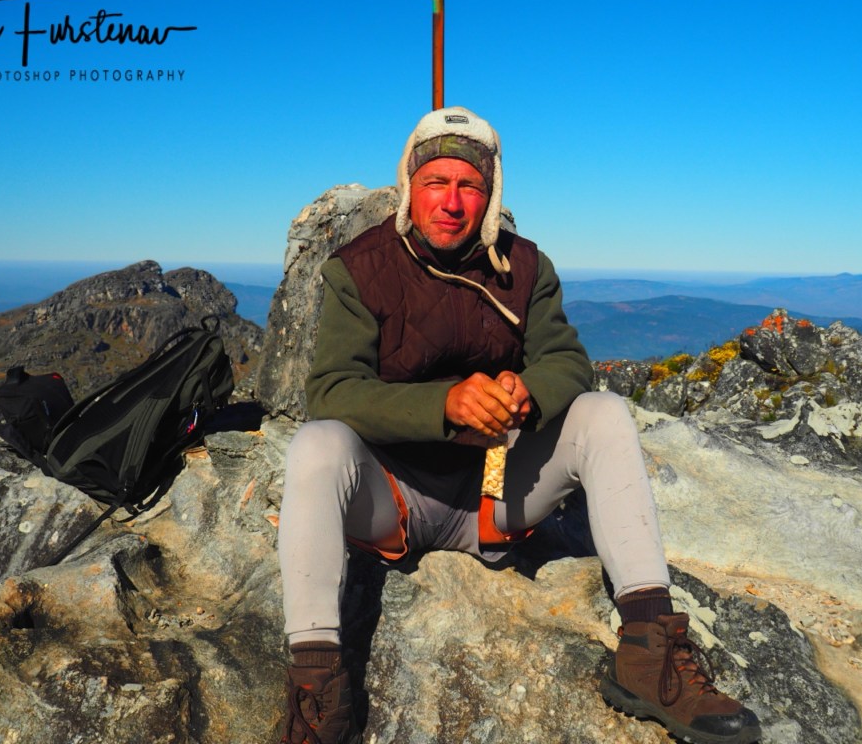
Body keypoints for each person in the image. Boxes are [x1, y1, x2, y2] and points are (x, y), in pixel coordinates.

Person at [277, 106, 761, 744]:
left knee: (604, 414)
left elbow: (568, 362)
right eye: (436, 182)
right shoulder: (358, 269)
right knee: (318, 444)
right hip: (390, 498)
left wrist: (526, 392)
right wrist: (444, 407)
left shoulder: (526, 267)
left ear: (490, 194)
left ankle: (648, 654)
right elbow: (331, 390)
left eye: (469, 186)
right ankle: (318, 693)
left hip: (495, 493)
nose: (451, 202)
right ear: (409, 188)